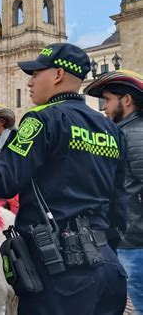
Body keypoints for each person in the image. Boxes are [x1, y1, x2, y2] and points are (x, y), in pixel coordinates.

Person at [0, 43, 128, 315]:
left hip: (57, 271)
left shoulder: (43, 119)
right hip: (107, 268)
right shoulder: (110, 129)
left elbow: (4, 179)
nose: (29, 82)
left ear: (57, 75)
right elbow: (120, 205)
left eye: (35, 74)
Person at [84, 69, 143, 314]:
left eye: (107, 100)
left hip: (135, 240)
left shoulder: (134, 135)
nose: (104, 107)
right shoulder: (125, 133)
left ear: (126, 100)